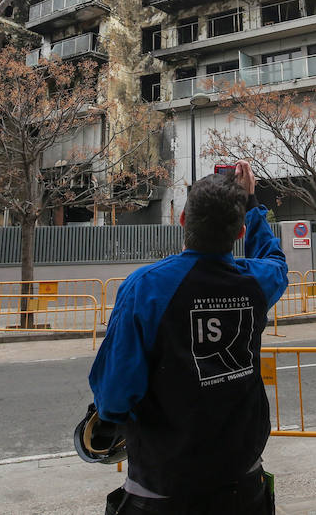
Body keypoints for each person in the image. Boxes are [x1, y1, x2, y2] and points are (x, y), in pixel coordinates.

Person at [87, 160, 288, 514]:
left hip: (161, 489)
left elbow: (115, 394)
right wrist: (252, 202)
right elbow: (275, 260)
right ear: (240, 233)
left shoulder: (145, 288)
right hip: (243, 485)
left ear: (182, 220)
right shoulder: (256, 281)